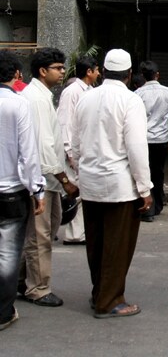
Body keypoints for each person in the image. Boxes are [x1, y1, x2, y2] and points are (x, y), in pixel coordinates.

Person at [72, 49, 153, 318]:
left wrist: (79, 171)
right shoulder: (130, 101)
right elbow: (137, 148)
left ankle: (100, 293)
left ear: (103, 71)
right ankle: (109, 301)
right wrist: (145, 188)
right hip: (119, 185)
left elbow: (75, 144)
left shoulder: (85, 98)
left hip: (90, 181)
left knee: (96, 244)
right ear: (130, 75)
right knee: (117, 247)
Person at [19, 47, 77, 307]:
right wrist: (65, 180)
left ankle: (20, 278)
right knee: (39, 236)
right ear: (43, 71)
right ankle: (38, 288)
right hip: (43, 178)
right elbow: (43, 146)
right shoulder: (36, 98)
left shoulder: (42, 95)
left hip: (48, 178)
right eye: (58, 68)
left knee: (48, 230)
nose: (63, 72)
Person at [0, 50, 45, 331]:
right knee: (7, 256)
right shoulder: (18, 105)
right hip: (11, 192)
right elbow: (28, 154)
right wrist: (37, 190)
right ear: (18, 74)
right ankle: (3, 312)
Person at [56, 54, 101, 244]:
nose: (99, 73)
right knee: (74, 192)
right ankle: (74, 233)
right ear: (89, 72)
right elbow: (65, 123)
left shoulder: (90, 90)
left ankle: (78, 232)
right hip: (72, 151)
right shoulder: (72, 91)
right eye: (97, 69)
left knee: (80, 192)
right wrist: (70, 153)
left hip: (84, 148)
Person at [135, 60, 168, 222]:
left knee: (144, 172)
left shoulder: (138, 94)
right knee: (158, 172)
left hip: (143, 139)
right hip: (161, 140)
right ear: (157, 75)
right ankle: (157, 205)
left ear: (143, 76)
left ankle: (147, 207)